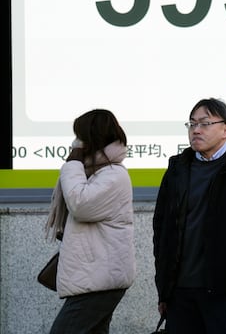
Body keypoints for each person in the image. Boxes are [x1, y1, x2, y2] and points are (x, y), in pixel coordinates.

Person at [153, 97, 226, 334]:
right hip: (180, 291)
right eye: (192, 124)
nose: (196, 130)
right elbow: (162, 228)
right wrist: (164, 288)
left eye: (205, 123)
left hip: (225, 291)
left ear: (225, 129)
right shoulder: (178, 169)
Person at [46, 109, 135, 334]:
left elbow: (80, 204)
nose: (76, 143)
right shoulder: (97, 172)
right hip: (95, 276)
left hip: (99, 279)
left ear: (91, 139)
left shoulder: (114, 175)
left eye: (80, 137)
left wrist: (73, 162)